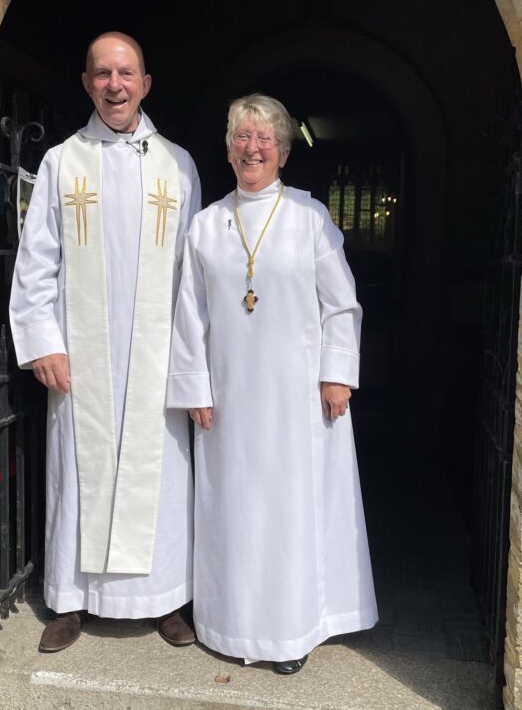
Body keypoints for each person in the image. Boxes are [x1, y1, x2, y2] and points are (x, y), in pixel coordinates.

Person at [166, 94, 377, 674]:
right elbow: (190, 315)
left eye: (265, 139)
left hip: (297, 398)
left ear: (283, 152)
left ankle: (289, 633)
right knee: (234, 510)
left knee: (287, 512)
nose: (253, 147)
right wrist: (194, 387)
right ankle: (229, 623)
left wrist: (337, 374)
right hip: (230, 398)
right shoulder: (207, 226)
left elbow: (342, 305)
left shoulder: (310, 218)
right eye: (242, 137)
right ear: (229, 149)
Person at [10, 32, 201, 653]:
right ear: (88, 82)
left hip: (157, 357)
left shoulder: (179, 165)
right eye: (102, 74)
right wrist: (42, 340)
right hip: (82, 356)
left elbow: (195, 276)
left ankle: (164, 598)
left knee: (162, 475)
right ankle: (71, 600)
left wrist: (194, 360)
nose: (114, 84)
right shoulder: (62, 163)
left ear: (145, 84)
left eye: (126, 73)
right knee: (80, 472)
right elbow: (36, 262)